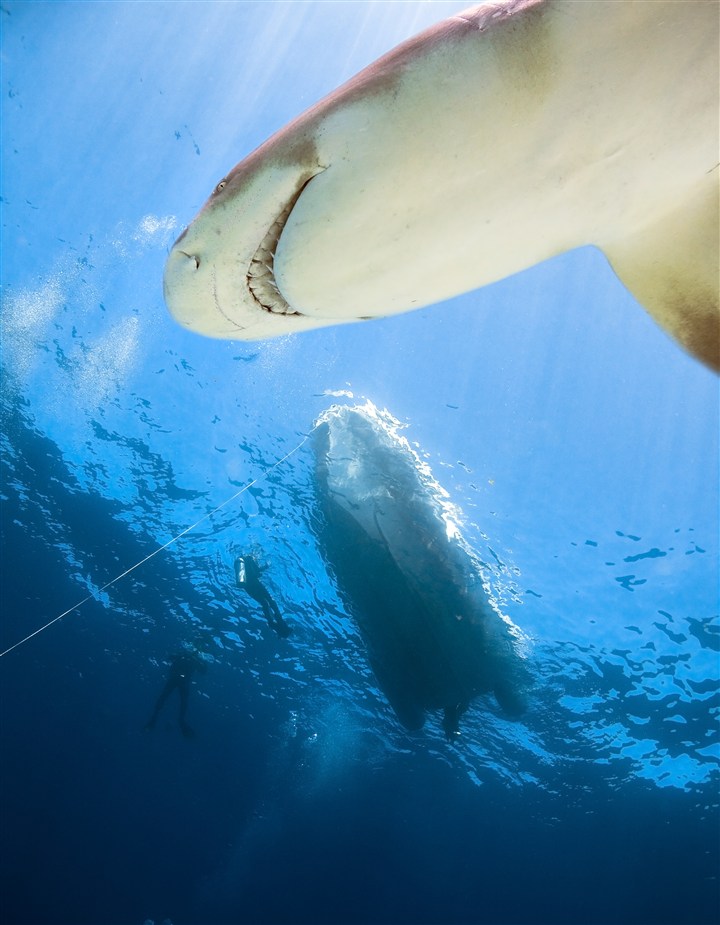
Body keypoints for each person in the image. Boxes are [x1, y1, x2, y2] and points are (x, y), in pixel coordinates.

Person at [144, 648, 207, 738]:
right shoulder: (191, 659)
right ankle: (179, 720)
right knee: (179, 701)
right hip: (181, 681)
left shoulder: (187, 657)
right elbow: (203, 671)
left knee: (166, 698)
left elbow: (170, 657)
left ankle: (155, 717)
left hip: (176, 680)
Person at [235, 554, 291, 637]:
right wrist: (266, 565)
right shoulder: (250, 559)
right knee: (270, 600)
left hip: (248, 588)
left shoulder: (242, 562)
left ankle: (272, 623)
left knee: (264, 603)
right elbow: (257, 572)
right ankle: (279, 622)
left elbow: (254, 572)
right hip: (256, 583)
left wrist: (264, 567)